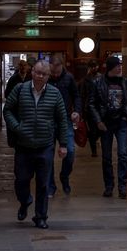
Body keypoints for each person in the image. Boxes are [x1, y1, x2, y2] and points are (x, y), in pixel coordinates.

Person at [3, 60, 69, 230]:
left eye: (44, 74)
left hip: (45, 144)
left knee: (43, 183)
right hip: (23, 145)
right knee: (21, 179)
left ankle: (40, 216)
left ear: (49, 76)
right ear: (32, 72)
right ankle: (25, 201)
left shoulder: (55, 94)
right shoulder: (20, 89)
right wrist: (17, 127)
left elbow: (62, 119)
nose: (40, 76)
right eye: (38, 72)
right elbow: (7, 109)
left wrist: (63, 144)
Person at [89, 55, 127, 198]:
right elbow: (91, 103)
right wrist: (98, 121)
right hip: (105, 123)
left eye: (120, 65)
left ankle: (122, 186)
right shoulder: (98, 83)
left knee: (122, 154)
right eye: (117, 65)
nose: (120, 67)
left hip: (121, 122)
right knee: (106, 157)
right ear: (110, 68)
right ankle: (109, 186)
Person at [47, 54, 80, 196]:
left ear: (62, 66)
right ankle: (50, 186)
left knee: (70, 152)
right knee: (47, 155)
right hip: (47, 120)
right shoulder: (46, 77)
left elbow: (76, 96)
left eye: (57, 72)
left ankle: (64, 176)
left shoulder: (69, 78)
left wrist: (77, 111)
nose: (54, 75)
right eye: (52, 72)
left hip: (65, 119)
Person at [81, 60, 100, 156]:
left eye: (95, 66)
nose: (94, 68)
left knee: (98, 130)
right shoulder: (86, 80)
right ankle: (94, 151)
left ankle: (93, 140)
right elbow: (82, 95)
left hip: (99, 107)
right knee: (93, 130)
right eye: (92, 67)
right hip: (89, 107)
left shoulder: (101, 78)